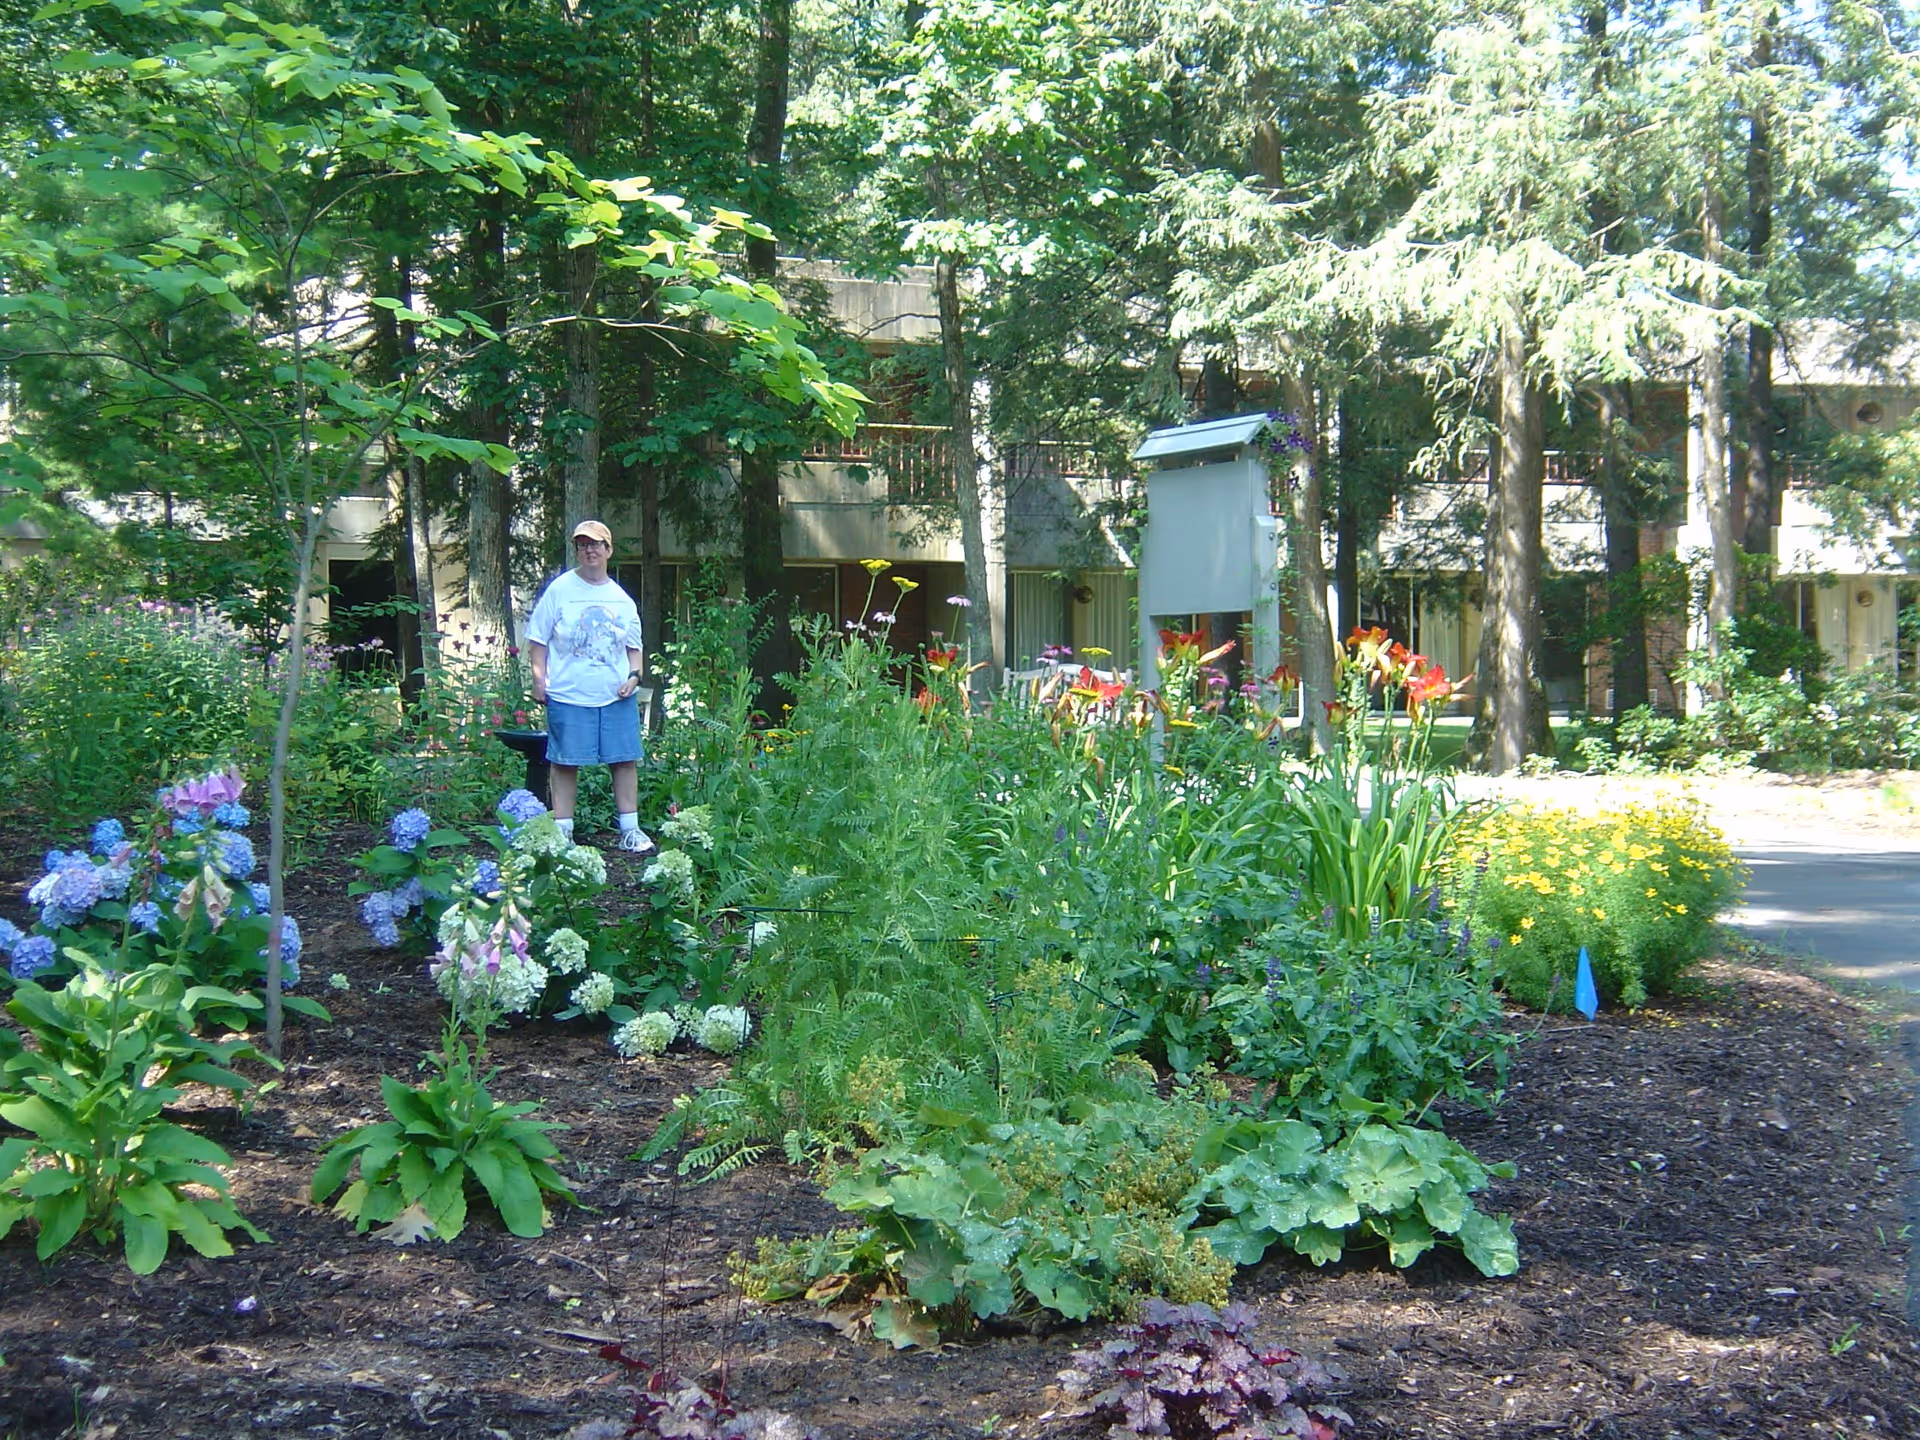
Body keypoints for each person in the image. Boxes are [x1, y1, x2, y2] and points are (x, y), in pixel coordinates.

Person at [526, 520, 656, 853]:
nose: (589, 550)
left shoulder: (621, 599)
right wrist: (539, 681)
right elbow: (537, 639)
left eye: (596, 544)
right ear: (577, 551)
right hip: (569, 694)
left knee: (624, 760)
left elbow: (634, 647)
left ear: (608, 550)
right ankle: (563, 831)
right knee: (566, 762)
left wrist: (634, 677)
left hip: (615, 696)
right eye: (583, 545)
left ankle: (630, 829)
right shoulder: (560, 590)